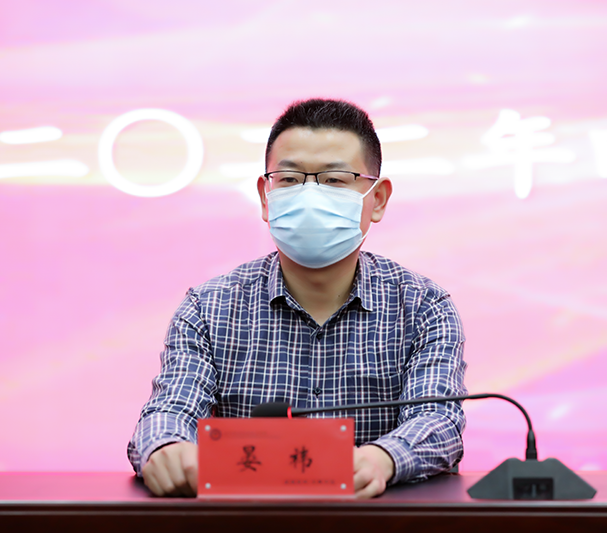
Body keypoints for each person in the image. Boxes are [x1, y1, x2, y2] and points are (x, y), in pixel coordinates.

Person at [128, 98, 467, 499]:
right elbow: (170, 411)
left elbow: (438, 421)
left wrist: (382, 459)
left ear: (377, 199)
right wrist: (166, 448)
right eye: (289, 179)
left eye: (335, 180)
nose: (310, 196)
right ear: (265, 196)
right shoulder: (210, 307)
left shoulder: (423, 307)